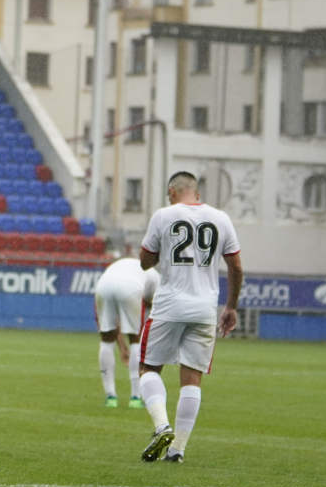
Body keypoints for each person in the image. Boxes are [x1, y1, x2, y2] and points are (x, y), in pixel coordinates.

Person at [137, 171, 242, 464]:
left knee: (148, 368)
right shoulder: (221, 218)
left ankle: (162, 427)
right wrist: (231, 307)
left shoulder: (163, 215)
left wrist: (163, 250)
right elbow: (236, 267)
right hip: (205, 308)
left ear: (172, 191)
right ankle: (177, 450)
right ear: (196, 192)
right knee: (192, 378)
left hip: (169, 305)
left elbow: (144, 262)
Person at [93, 256, 160, 408]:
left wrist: (122, 347)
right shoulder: (156, 278)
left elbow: (111, 323)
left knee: (106, 339)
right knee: (136, 339)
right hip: (130, 287)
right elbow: (157, 312)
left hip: (103, 285)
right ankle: (135, 397)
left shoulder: (124, 267)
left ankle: (110, 397)